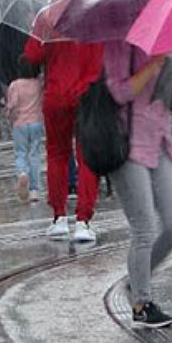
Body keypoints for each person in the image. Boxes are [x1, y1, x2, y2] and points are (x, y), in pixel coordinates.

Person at [105, 41, 172, 329]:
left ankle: (137, 279)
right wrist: (153, 65)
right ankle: (142, 303)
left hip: (161, 141)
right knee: (144, 228)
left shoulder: (165, 41)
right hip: (128, 145)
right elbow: (118, 91)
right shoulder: (118, 43)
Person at [24, 37, 103, 242]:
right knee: (86, 156)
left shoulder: (49, 17)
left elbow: (32, 55)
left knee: (57, 154)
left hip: (57, 93)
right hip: (89, 93)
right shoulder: (94, 15)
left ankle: (59, 216)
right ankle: (83, 220)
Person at [6, 57, 44, 202]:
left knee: (21, 153)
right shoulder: (38, 84)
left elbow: (12, 105)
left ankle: (22, 173)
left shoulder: (15, 85)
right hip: (36, 123)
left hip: (20, 124)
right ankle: (35, 190)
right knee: (34, 154)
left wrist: (11, 116)